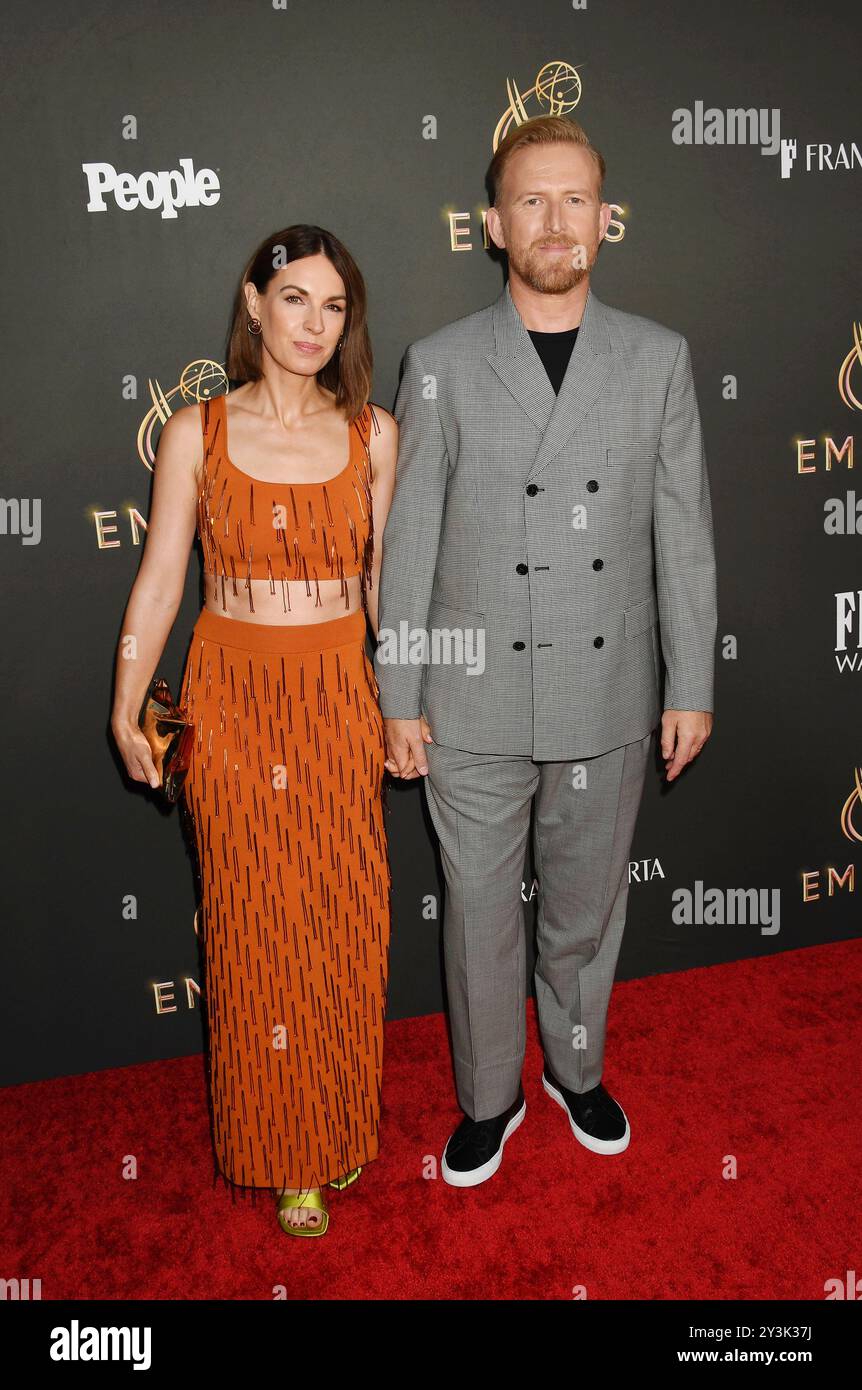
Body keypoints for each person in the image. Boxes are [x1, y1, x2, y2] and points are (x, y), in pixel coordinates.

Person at [375, 115, 717, 1186]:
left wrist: (692, 683)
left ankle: (575, 1069)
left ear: (604, 221)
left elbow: (683, 531)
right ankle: (490, 1096)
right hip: (470, 701)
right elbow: (412, 541)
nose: (555, 220)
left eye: (574, 199)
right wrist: (398, 692)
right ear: (492, 224)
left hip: (606, 689)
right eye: (531, 199)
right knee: (478, 917)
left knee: (582, 908)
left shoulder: (657, 358)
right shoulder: (436, 364)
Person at [111, 225, 397, 1235]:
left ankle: (334, 1120)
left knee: (345, 919)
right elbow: (159, 581)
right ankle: (286, 1154)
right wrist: (125, 700)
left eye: (334, 306)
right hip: (225, 692)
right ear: (252, 303)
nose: (315, 323)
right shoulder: (199, 431)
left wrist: (406, 706)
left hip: (335, 695)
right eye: (295, 300)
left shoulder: (374, 434)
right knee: (250, 926)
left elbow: (387, 595)